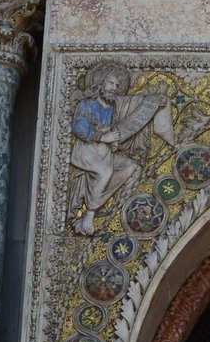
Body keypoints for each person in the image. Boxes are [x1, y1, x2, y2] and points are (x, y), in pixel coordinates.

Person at [67, 62, 170, 235]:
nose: (114, 88)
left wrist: (153, 100)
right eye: (111, 83)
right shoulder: (87, 105)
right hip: (85, 151)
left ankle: (98, 200)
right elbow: (79, 128)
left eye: (117, 85)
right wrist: (102, 136)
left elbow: (134, 103)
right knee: (105, 171)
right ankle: (90, 214)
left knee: (130, 166)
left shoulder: (116, 107)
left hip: (105, 153)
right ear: (100, 83)